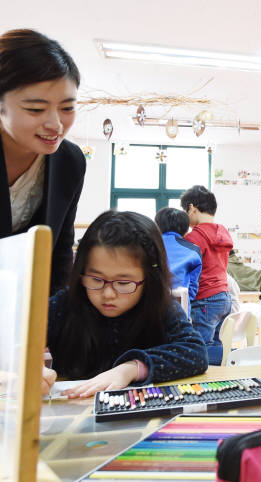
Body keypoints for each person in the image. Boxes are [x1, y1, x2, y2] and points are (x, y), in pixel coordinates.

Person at [44, 211, 207, 398]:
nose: (108, 294)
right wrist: (29, 370)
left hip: (139, 415)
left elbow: (195, 352)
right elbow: (15, 344)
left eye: (123, 283)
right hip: (71, 410)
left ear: (150, 278)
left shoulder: (162, 307)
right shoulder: (64, 304)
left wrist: (131, 369)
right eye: (96, 279)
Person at [0, 29, 85, 294]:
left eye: (67, 108)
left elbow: (59, 256)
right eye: (35, 109)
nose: (55, 124)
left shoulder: (70, 162)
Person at [181, 185, 233, 365]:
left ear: (192, 208)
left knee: (201, 348)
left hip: (205, 299)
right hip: (224, 297)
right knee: (216, 342)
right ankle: (230, 361)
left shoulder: (193, 238)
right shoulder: (223, 232)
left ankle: (235, 358)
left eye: (185, 211)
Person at [154, 207, 202, 313]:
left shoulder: (147, 246)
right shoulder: (193, 250)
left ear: (157, 226)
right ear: (186, 230)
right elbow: (193, 287)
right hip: (179, 307)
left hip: (149, 305)